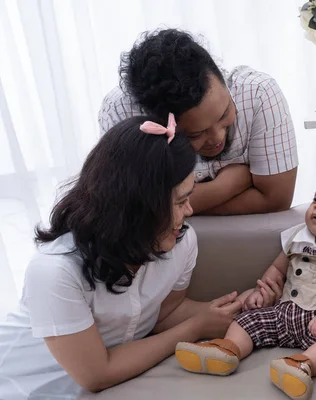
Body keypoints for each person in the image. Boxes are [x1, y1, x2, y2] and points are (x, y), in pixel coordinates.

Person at [0, 115, 251, 399]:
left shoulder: (181, 242)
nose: (190, 211)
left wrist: (245, 306)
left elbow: (166, 313)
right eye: (181, 201)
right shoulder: (54, 271)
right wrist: (194, 328)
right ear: (139, 208)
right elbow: (97, 374)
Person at [174, 169, 316, 400]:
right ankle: (227, 350)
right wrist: (262, 292)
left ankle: (301, 366)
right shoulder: (298, 236)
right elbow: (277, 270)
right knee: (246, 321)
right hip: (283, 312)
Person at [98, 28, 298, 216]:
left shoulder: (258, 93)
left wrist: (171, 207)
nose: (217, 137)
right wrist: (225, 186)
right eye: (195, 134)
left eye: (224, 114)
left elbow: (276, 200)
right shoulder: (120, 111)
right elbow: (130, 210)